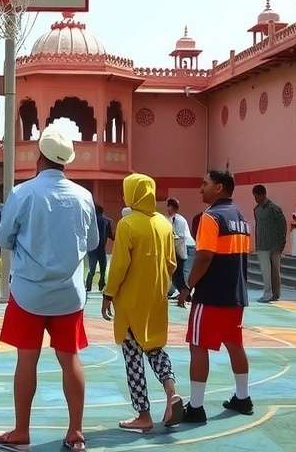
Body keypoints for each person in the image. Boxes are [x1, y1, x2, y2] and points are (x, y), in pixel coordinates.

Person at [0, 125, 98, 452]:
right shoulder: (84, 197)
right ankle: (75, 433)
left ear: (39, 157)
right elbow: (93, 242)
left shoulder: (23, 193)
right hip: (69, 294)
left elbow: (3, 238)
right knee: (70, 360)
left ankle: (22, 432)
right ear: (66, 161)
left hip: (29, 293)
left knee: (27, 361)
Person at [102, 173, 183, 432]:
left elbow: (119, 266)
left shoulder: (127, 224)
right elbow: (171, 263)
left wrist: (108, 294)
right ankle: (172, 393)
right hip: (157, 298)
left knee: (133, 358)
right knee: (156, 348)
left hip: (131, 301)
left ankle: (143, 415)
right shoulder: (164, 223)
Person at [179, 170, 253, 423]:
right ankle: (242, 398)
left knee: (198, 346)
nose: (201, 189)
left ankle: (196, 407)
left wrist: (189, 284)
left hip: (211, 295)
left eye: (205, 184)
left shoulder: (211, 217)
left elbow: (204, 256)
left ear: (219, 187)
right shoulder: (241, 218)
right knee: (235, 344)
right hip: (236, 295)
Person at [252, 184, 287, 303]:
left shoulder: (274, 209)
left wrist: (282, 243)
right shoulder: (256, 209)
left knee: (275, 271)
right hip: (262, 245)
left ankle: (276, 294)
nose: (255, 199)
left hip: (274, 245)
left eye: (257, 196)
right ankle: (267, 293)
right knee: (266, 271)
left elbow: (282, 227)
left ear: (263, 194)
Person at [166, 198, 195, 304]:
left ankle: (185, 295)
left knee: (183, 273)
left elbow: (179, 238)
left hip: (186, 247)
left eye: (169, 206)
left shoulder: (177, 219)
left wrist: (181, 255)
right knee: (177, 273)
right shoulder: (173, 218)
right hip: (181, 247)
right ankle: (183, 294)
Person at [85, 205, 114, 292]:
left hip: (92, 248)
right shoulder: (106, 221)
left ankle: (88, 286)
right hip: (102, 248)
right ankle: (101, 285)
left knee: (92, 269)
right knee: (103, 269)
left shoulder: (90, 220)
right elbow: (110, 235)